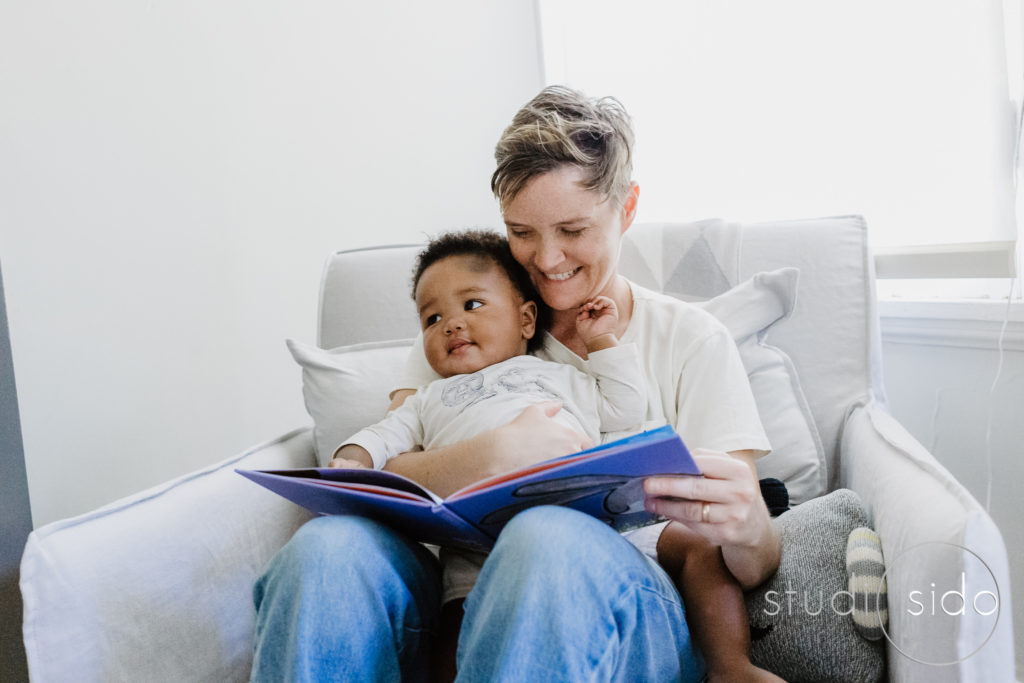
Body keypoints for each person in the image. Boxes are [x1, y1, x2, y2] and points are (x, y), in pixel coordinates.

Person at [251, 86, 783, 682]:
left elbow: (746, 559)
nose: (547, 259)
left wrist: (751, 527)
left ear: (627, 208)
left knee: (544, 536)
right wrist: (492, 453)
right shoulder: (469, 333)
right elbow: (390, 471)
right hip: (464, 589)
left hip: (626, 612)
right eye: (521, 232)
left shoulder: (692, 340)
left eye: (573, 229)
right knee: (327, 552)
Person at [330, 230, 779, 681]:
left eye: (471, 306)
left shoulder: (559, 376)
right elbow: (383, 437)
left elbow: (623, 406)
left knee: (698, 544)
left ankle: (730, 665)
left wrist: (603, 344)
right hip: (477, 545)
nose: (451, 324)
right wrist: (350, 460)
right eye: (431, 319)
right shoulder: (429, 398)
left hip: (597, 525)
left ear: (526, 322)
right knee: (456, 625)